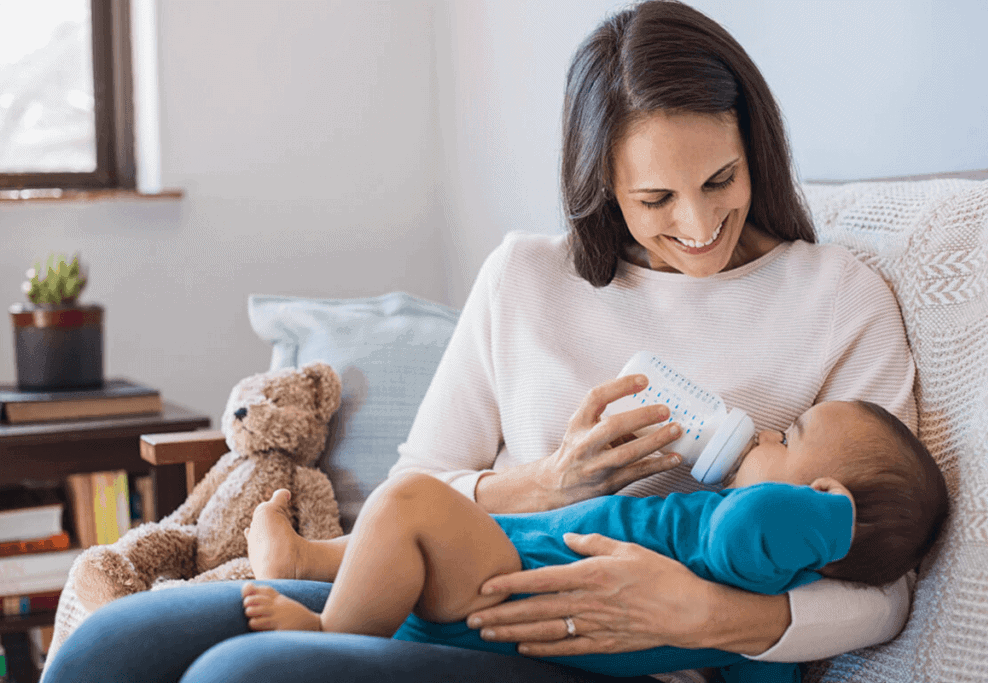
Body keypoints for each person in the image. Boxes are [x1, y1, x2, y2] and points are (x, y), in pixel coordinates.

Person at [42, 2, 923, 682]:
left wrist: (695, 613)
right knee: (118, 641)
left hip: (620, 656)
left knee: (243, 672)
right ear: (603, 188)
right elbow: (413, 488)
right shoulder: (524, 279)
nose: (699, 226)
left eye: (720, 179)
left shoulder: (838, 298)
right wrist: (548, 481)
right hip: (453, 589)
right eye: (656, 201)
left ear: (754, 150)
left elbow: (885, 583)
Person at [238, 400, 949, 683]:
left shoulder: (744, 544)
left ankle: (331, 628)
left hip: (514, 581)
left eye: (788, 437)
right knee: (414, 530)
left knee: (411, 504)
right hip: (515, 551)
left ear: (819, 502)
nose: (765, 431)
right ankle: (309, 559)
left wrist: (825, 518)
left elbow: (757, 524)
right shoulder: (754, 613)